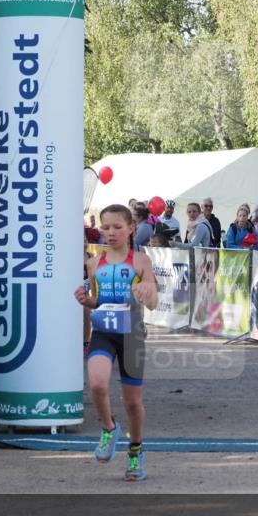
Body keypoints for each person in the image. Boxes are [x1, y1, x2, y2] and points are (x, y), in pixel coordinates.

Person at [73, 204, 158, 482]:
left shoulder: (141, 261)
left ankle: (136, 451)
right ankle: (109, 428)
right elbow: (97, 299)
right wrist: (87, 300)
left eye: (117, 227)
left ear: (131, 228)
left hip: (131, 334)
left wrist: (147, 292)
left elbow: (154, 301)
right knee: (97, 383)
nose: (111, 233)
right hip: (103, 332)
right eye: (106, 228)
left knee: (132, 402)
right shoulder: (94, 263)